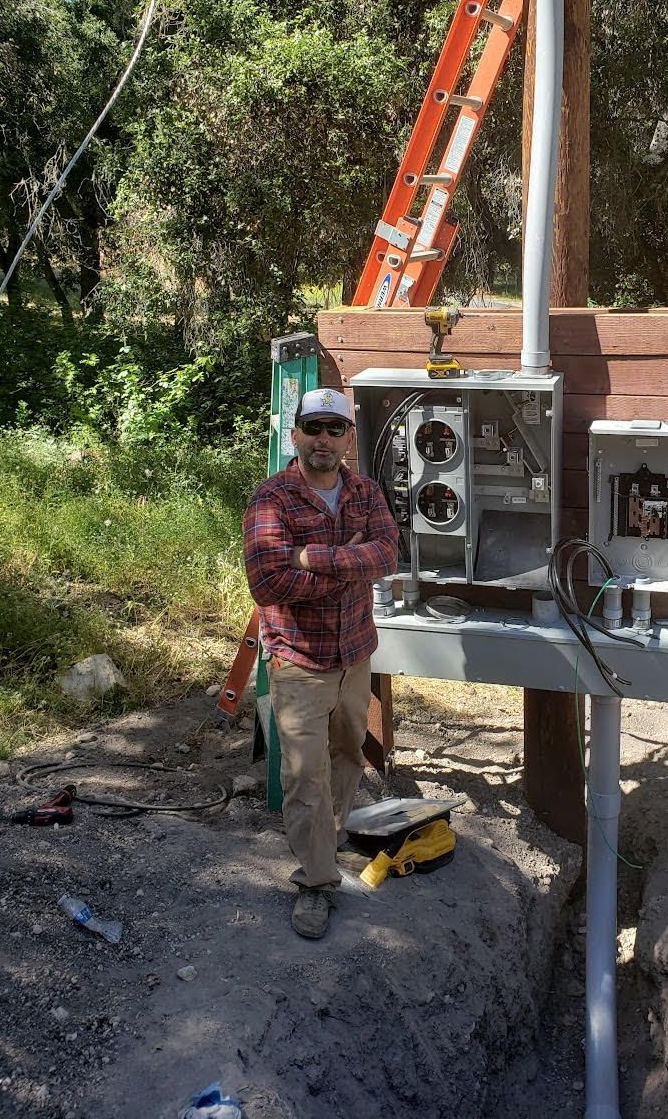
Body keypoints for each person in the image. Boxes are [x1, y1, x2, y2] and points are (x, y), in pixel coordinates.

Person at [242, 387, 398, 939]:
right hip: (299, 660)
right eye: (314, 428)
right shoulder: (272, 499)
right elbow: (267, 581)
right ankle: (314, 882)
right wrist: (349, 565)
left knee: (347, 753)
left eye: (336, 429)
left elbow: (387, 553)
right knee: (305, 773)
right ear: (296, 435)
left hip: (355, 653)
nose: (324, 440)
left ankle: (328, 845)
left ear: (350, 438)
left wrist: (314, 556)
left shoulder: (365, 492)